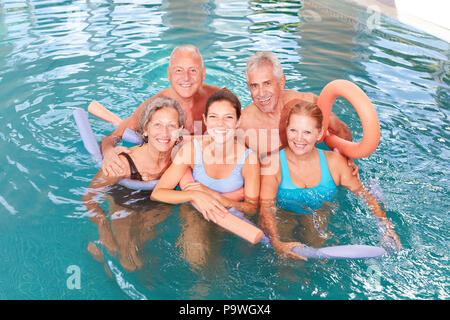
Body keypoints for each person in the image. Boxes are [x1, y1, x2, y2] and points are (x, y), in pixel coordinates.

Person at [259, 101, 401, 260]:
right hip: (284, 213)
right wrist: (276, 242)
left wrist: (386, 227)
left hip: (319, 212)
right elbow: (266, 207)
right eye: (293, 130)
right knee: (287, 264)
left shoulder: (335, 164)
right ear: (286, 129)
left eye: (307, 132)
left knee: (323, 260)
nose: (299, 138)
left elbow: (365, 197)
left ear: (319, 134)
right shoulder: (273, 164)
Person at [151, 89, 260, 268]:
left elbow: (251, 208)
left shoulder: (248, 159)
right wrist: (195, 195)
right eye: (214, 117)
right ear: (205, 120)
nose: (221, 124)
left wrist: (212, 195)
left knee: (231, 267)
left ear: (238, 121)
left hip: (230, 218)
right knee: (197, 262)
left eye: (228, 118)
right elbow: (158, 193)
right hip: (195, 213)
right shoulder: (192, 150)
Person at [82, 96, 185, 270]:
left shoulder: (182, 158)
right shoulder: (122, 164)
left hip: (157, 204)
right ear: (145, 130)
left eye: (171, 126)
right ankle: (98, 247)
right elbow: (89, 199)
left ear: (180, 132)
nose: (165, 133)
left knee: (145, 259)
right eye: (157, 125)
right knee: (127, 261)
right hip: (124, 202)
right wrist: (103, 227)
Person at [98, 44, 220, 177]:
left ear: (203, 73)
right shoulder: (155, 106)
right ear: (169, 74)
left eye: (193, 70)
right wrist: (109, 152)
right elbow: (112, 137)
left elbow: (239, 135)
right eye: (179, 70)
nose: (186, 77)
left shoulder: (219, 99)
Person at [238, 51, 358, 175]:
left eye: (267, 83)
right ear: (248, 86)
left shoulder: (308, 104)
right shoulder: (242, 123)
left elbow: (341, 130)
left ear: (281, 82)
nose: (261, 94)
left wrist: (348, 160)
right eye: (254, 86)